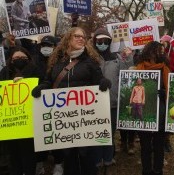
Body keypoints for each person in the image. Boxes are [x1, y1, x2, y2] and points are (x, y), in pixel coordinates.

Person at [32, 27, 111, 175]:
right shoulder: (57, 62)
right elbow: (49, 80)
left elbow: (99, 79)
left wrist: (104, 82)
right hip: (63, 120)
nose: (81, 39)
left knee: (86, 155)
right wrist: (42, 87)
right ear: (68, 39)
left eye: (83, 36)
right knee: (68, 157)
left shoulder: (90, 61)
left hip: (85, 119)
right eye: (77, 36)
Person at [92, 27, 133, 172]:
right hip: (94, 102)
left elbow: (127, 71)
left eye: (105, 41)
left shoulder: (116, 58)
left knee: (110, 131)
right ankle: (97, 159)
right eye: (99, 41)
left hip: (113, 101)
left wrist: (128, 57)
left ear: (109, 42)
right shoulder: (90, 57)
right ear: (94, 41)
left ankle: (108, 157)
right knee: (97, 131)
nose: (102, 43)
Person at [0, 46, 42, 175]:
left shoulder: (36, 70)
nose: (19, 60)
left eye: (23, 58)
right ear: (11, 59)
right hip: (11, 123)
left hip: (29, 121)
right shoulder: (5, 71)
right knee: (13, 155)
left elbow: (43, 86)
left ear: (28, 58)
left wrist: (26, 83)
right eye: (16, 58)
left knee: (28, 153)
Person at [135, 41, 170, 175]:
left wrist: (165, 93)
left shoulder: (165, 68)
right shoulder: (139, 67)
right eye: (157, 50)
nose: (159, 53)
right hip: (144, 109)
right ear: (149, 51)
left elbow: (170, 90)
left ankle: (158, 170)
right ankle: (146, 170)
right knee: (145, 145)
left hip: (160, 110)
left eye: (161, 51)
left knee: (158, 144)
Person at [33, 35, 64, 175]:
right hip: (38, 102)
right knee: (41, 132)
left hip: (57, 102)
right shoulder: (33, 61)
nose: (46, 48)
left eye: (49, 45)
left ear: (54, 47)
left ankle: (58, 163)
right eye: (44, 45)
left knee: (57, 132)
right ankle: (40, 161)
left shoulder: (60, 62)